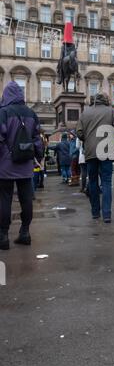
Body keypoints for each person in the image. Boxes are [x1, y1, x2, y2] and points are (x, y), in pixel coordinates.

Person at [0, 81, 43, 250]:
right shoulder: (31, 113)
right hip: (25, 165)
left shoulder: (2, 112)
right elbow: (37, 140)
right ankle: (25, 233)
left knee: (4, 199)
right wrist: (38, 157)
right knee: (26, 199)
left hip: (5, 165)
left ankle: (3, 236)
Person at [76, 93, 114, 222]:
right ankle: (107, 214)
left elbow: (79, 132)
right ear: (105, 100)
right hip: (106, 151)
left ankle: (95, 212)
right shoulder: (112, 111)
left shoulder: (85, 113)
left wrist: (88, 139)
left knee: (93, 181)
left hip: (90, 152)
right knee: (106, 182)